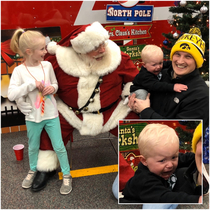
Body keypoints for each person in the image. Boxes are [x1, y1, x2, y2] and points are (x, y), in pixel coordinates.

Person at [15, 21, 140, 191]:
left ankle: (142, 163)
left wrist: (133, 95)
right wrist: (24, 99)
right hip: (72, 113)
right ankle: (46, 167)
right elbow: (36, 76)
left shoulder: (118, 57)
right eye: (96, 47)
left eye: (103, 43)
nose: (103, 49)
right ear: (80, 49)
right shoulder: (58, 60)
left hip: (112, 112)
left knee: (137, 128)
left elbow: (135, 80)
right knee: (48, 130)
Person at [8, 29, 72, 195]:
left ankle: (66, 174)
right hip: (32, 117)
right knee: (33, 146)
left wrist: (53, 88)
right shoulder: (19, 71)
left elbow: (56, 84)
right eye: (42, 49)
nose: (46, 51)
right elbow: (11, 94)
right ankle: (32, 170)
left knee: (59, 146)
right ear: (29, 52)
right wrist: (30, 85)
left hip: (51, 114)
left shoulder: (47, 65)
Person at [128, 28, 209, 130]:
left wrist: (145, 111)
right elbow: (141, 84)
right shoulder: (160, 74)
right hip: (143, 139)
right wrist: (135, 103)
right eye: (177, 54)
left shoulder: (200, 95)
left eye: (188, 56)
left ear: (197, 61)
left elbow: (182, 134)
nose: (180, 61)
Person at [120, 123, 202, 204]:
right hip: (139, 203)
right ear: (144, 161)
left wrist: (202, 156)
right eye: (162, 161)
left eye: (173, 157)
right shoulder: (145, 181)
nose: (170, 165)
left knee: (182, 172)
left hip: (160, 191)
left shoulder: (162, 159)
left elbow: (185, 158)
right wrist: (196, 200)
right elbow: (166, 198)